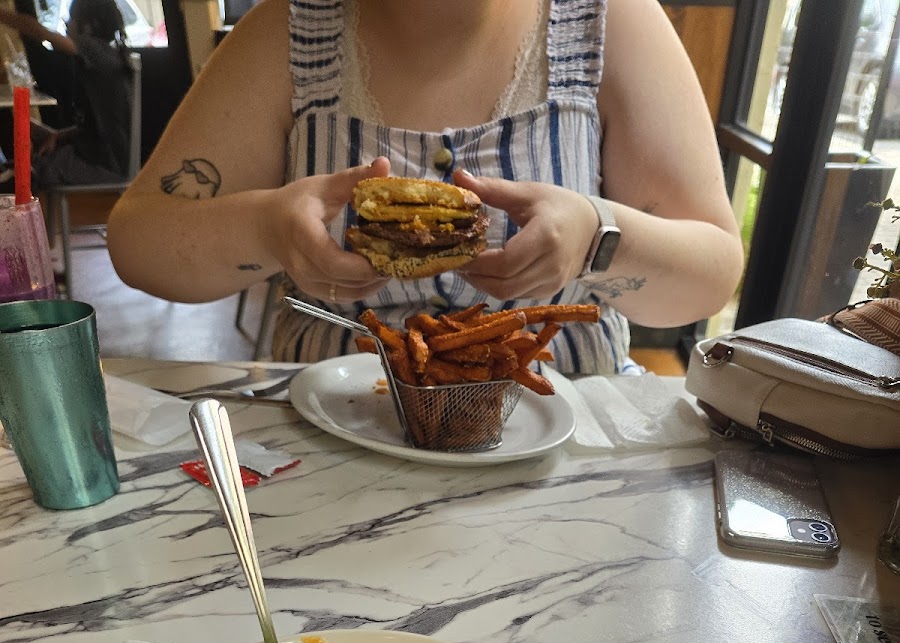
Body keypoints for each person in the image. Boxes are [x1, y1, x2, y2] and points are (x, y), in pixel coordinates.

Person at [107, 0, 744, 374]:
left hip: (568, 452)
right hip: (337, 446)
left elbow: (709, 276)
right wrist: (268, 227)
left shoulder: (612, 22)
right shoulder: (288, 31)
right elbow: (139, 242)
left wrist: (595, 239)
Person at [0, 0, 131, 190]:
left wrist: (4, 16)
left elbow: (41, 33)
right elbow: (99, 127)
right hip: (100, 159)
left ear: (87, 27)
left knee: (27, 174)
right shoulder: (108, 56)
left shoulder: (94, 50)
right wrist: (58, 135)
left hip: (101, 165)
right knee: (24, 130)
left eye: (71, 19)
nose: (66, 23)